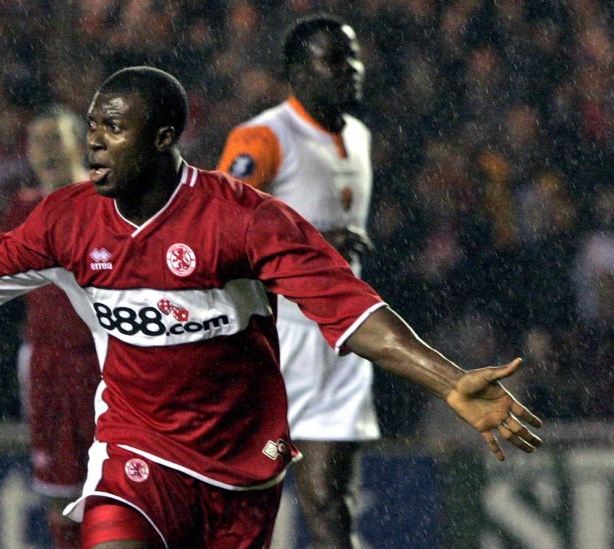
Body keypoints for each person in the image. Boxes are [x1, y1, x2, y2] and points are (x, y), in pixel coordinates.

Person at [0, 66, 543, 549]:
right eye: (94, 126)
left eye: (113, 127)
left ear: (164, 137)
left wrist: (445, 379)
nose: (95, 142)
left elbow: (353, 312)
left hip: (240, 467)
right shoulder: (66, 222)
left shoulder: (242, 221)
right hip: (135, 452)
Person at [216, 14, 375, 547]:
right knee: (242, 502)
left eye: (352, 56)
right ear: (296, 73)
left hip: (344, 343)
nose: (350, 69)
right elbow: (217, 231)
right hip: (280, 342)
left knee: (333, 505)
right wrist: (316, 237)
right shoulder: (264, 137)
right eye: (334, 59)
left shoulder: (358, 135)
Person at [0, 106, 101, 548]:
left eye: (55, 138)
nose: (45, 150)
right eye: (37, 141)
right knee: (60, 491)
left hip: (111, 359)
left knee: (122, 488)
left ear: (81, 143)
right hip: (49, 362)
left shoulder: (113, 201)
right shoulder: (21, 211)